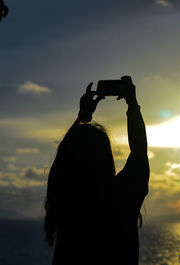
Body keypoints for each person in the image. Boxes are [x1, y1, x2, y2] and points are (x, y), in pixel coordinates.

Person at [43, 76, 149, 265]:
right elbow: (139, 152)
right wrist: (132, 104)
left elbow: (62, 161)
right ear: (106, 158)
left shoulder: (65, 199)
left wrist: (82, 117)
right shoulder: (122, 197)